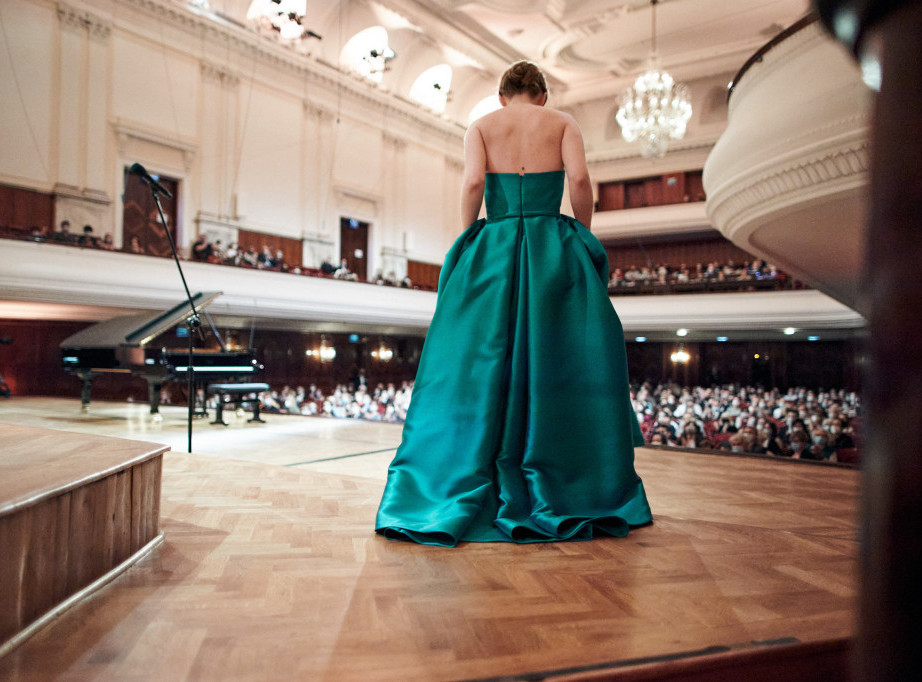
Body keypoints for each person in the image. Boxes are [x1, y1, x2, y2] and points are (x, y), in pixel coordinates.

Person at [375, 60, 652, 546]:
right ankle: (563, 479)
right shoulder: (562, 122)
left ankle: (464, 475)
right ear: (543, 95)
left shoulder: (482, 125)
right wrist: (582, 235)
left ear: (502, 95)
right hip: (552, 250)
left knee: (476, 360)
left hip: (496, 249)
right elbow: (580, 182)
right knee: (563, 355)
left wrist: (469, 238)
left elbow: (473, 184)